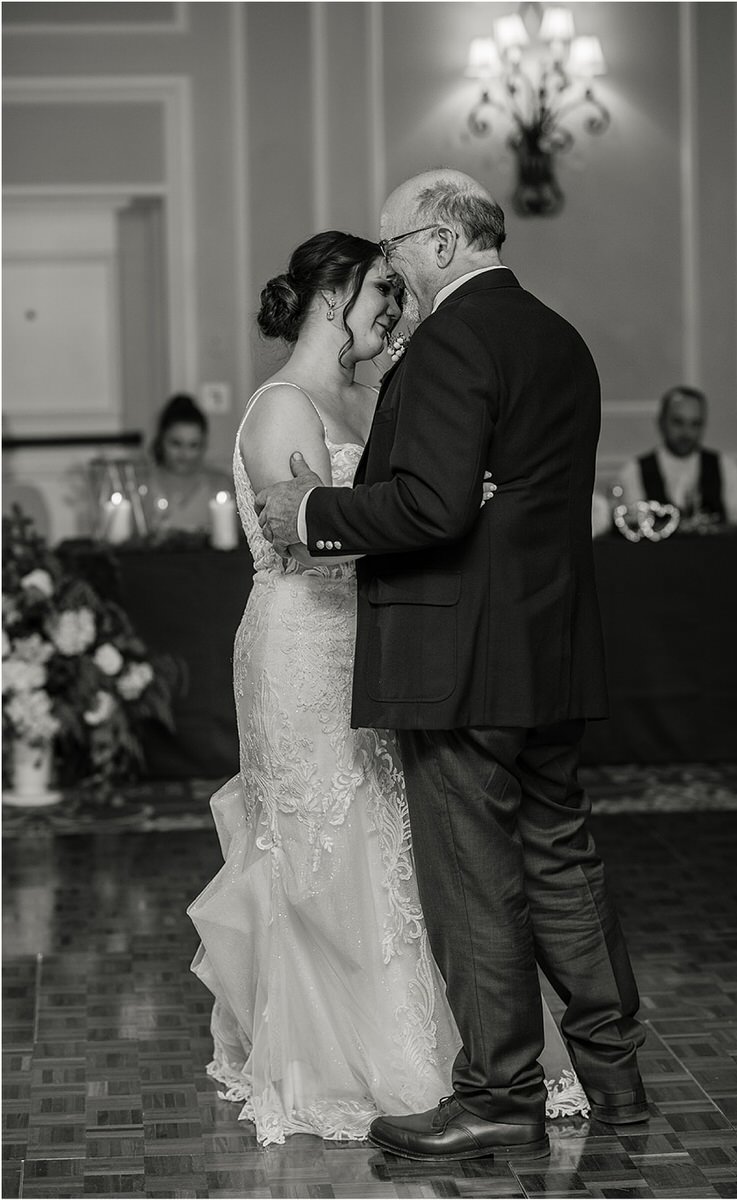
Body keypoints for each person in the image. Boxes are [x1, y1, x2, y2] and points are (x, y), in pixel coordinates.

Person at [256, 169, 648, 1162]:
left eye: (392, 251)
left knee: (475, 881)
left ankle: (498, 1096)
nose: (391, 271)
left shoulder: (450, 345)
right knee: (562, 863)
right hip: (548, 650)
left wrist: (308, 511)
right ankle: (616, 1073)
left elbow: (433, 508)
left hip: (458, 658)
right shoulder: (559, 339)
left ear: (436, 241)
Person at [187, 231, 587, 1148]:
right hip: (300, 649)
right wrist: (454, 514)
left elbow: (384, 506)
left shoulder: (362, 397)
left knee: (394, 844)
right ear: (334, 294)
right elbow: (301, 537)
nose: (394, 315)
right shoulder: (284, 403)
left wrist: (434, 507)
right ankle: (335, 1056)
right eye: (382, 295)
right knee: (323, 846)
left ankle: (453, 1055)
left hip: (371, 645)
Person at [616, 385, 737, 524]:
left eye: (695, 424)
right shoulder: (634, 471)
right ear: (661, 422)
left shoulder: (727, 468)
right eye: (678, 422)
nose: (686, 433)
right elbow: (632, 528)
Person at [147, 393, 232, 532]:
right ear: (161, 440)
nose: (184, 454)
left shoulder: (221, 484)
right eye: (176, 444)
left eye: (193, 445)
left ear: (204, 445)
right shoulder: (144, 485)